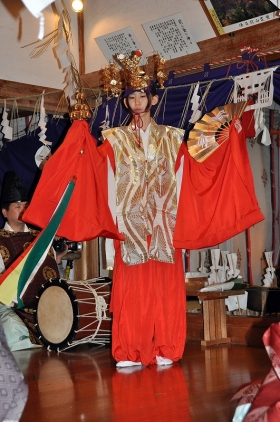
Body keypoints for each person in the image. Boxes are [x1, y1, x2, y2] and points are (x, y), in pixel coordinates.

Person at [98, 51, 187, 367]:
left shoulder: (172, 138)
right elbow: (103, 175)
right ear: (125, 101)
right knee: (133, 288)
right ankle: (130, 349)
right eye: (131, 96)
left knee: (164, 287)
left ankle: (166, 346)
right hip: (130, 221)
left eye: (142, 95)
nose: (137, 101)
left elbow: (182, 178)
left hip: (164, 221)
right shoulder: (115, 138)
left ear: (153, 98)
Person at [0, 170, 66, 350]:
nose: (23, 210)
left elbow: (54, 277)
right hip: (12, 309)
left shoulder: (40, 237)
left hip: (47, 305)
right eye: (17, 206)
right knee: (12, 331)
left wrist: (57, 259)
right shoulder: (0, 240)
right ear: (5, 212)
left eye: (26, 205)